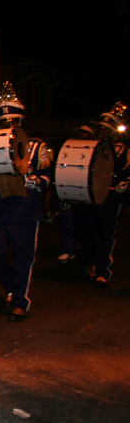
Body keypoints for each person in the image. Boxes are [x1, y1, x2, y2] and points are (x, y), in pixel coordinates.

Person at [0, 82, 52, 320]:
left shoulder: (37, 146)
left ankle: (20, 301)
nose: (7, 126)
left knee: (23, 257)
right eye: (3, 122)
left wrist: (37, 181)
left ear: (20, 121)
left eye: (12, 121)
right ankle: (12, 287)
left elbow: (48, 175)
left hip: (25, 208)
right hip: (0, 208)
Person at [75, 103, 129, 287]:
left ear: (113, 133)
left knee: (105, 233)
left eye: (105, 130)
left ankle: (102, 271)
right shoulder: (89, 149)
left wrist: (125, 184)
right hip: (89, 197)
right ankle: (90, 263)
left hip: (111, 199)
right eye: (99, 129)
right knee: (85, 230)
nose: (101, 132)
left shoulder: (124, 151)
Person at [56, 125, 94, 264]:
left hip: (85, 192)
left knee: (86, 225)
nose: (81, 135)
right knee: (66, 220)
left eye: (85, 133)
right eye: (79, 132)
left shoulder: (93, 149)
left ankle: (88, 252)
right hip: (69, 190)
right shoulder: (69, 149)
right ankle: (67, 249)